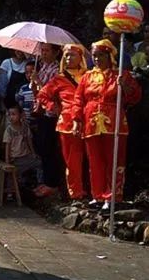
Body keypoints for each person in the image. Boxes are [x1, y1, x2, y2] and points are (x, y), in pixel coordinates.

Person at [73, 39, 141, 207]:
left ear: (109, 56)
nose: (97, 59)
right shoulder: (87, 77)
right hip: (91, 123)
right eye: (94, 56)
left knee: (115, 160)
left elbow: (135, 97)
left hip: (115, 123)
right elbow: (78, 100)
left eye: (101, 55)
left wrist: (124, 87)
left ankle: (112, 196)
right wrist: (76, 121)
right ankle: (97, 195)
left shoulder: (121, 75)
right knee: (94, 161)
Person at [36, 44, 89, 201]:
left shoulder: (90, 76)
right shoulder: (58, 79)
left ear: (81, 58)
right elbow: (42, 95)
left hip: (90, 122)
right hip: (67, 123)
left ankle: (92, 191)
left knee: (91, 159)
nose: (68, 58)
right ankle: (75, 193)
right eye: (66, 55)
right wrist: (54, 107)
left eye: (72, 55)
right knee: (72, 159)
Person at [30, 43, 63, 197]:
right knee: (42, 147)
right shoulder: (42, 67)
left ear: (56, 52)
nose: (43, 53)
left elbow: (51, 93)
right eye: (42, 50)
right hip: (40, 110)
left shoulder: (57, 70)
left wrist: (38, 82)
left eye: (47, 50)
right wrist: (34, 85)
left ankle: (53, 183)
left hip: (51, 112)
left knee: (49, 148)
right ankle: (45, 181)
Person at [2, 105, 42, 194]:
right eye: (9, 115)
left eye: (13, 114)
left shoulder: (25, 127)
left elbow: (29, 140)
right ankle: (11, 191)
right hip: (15, 158)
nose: (11, 117)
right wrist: (7, 161)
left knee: (39, 163)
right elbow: (7, 146)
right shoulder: (9, 130)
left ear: (20, 115)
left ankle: (40, 184)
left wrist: (33, 153)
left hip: (26, 156)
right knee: (12, 175)